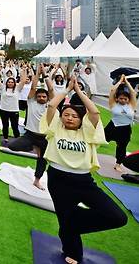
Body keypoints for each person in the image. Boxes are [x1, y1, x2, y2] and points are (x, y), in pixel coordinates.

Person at [41, 76, 127, 264]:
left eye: (74, 116)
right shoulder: (56, 128)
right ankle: (73, 250)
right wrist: (66, 89)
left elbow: (94, 113)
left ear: (81, 119)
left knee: (117, 217)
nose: (70, 118)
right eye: (66, 115)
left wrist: (79, 91)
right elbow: (50, 107)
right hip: (58, 180)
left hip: (84, 182)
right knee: (66, 223)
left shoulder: (87, 132)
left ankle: (71, 223)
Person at [7, 64, 53, 189]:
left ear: (48, 98)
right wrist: (37, 74)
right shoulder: (31, 102)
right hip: (30, 135)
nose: (41, 98)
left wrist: (46, 74)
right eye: (39, 96)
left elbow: (51, 90)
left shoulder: (50, 105)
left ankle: (37, 180)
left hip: (45, 137)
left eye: (44, 96)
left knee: (42, 161)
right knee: (12, 146)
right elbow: (33, 87)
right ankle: (33, 147)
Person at [106, 75, 137, 171]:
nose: (123, 100)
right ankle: (90, 156)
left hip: (125, 129)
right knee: (99, 140)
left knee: (122, 147)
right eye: (121, 98)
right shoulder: (113, 104)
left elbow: (132, 92)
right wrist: (120, 81)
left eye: (125, 99)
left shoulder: (132, 105)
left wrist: (126, 82)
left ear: (128, 100)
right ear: (117, 99)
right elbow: (112, 91)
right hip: (113, 126)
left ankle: (118, 164)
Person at [0, 65, 26, 143]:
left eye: (12, 82)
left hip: (14, 111)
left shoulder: (17, 89)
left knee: (14, 126)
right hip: (3, 110)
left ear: (14, 83)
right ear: (7, 82)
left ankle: (17, 138)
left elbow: (23, 81)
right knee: (5, 125)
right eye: (9, 82)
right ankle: (5, 137)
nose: (10, 83)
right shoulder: (3, 88)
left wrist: (22, 71)